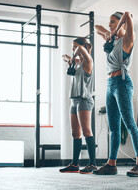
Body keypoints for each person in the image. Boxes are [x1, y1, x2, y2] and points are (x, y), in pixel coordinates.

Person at [93, 12, 138, 177]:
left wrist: (117, 30)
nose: (109, 25)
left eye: (113, 22)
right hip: (110, 85)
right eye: (109, 22)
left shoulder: (127, 39)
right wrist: (110, 33)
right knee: (113, 128)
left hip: (122, 83)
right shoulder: (111, 41)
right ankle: (111, 164)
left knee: (129, 123)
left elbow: (128, 16)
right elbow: (97, 27)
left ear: (121, 25)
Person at [59, 37, 97, 174]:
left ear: (82, 46)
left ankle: (92, 164)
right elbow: (64, 56)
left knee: (87, 131)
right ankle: (75, 164)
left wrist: (76, 52)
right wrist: (71, 59)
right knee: (75, 133)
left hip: (84, 100)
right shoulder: (77, 63)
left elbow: (81, 49)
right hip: (74, 100)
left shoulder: (88, 61)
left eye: (74, 46)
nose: (73, 49)